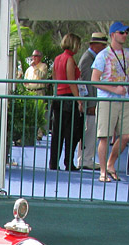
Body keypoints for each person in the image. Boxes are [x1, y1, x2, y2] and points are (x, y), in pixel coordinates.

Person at [90, 21, 129, 183]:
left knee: (127, 135)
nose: (124, 35)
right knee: (104, 136)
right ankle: (102, 171)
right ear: (113, 35)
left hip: (125, 101)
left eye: (126, 33)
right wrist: (114, 89)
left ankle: (111, 164)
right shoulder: (103, 55)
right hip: (107, 100)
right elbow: (94, 80)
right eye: (121, 32)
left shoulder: (128, 54)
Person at [48, 33, 83, 172]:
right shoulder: (69, 59)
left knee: (57, 132)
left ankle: (53, 162)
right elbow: (71, 81)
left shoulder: (57, 59)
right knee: (71, 132)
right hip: (68, 97)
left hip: (58, 97)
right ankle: (69, 161)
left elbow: (55, 78)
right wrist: (79, 99)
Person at [75, 32, 106, 169]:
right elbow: (86, 83)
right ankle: (85, 159)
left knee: (90, 131)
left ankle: (86, 158)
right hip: (90, 103)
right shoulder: (88, 59)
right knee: (89, 131)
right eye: (102, 45)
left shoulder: (90, 58)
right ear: (94, 45)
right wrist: (91, 103)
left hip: (91, 101)